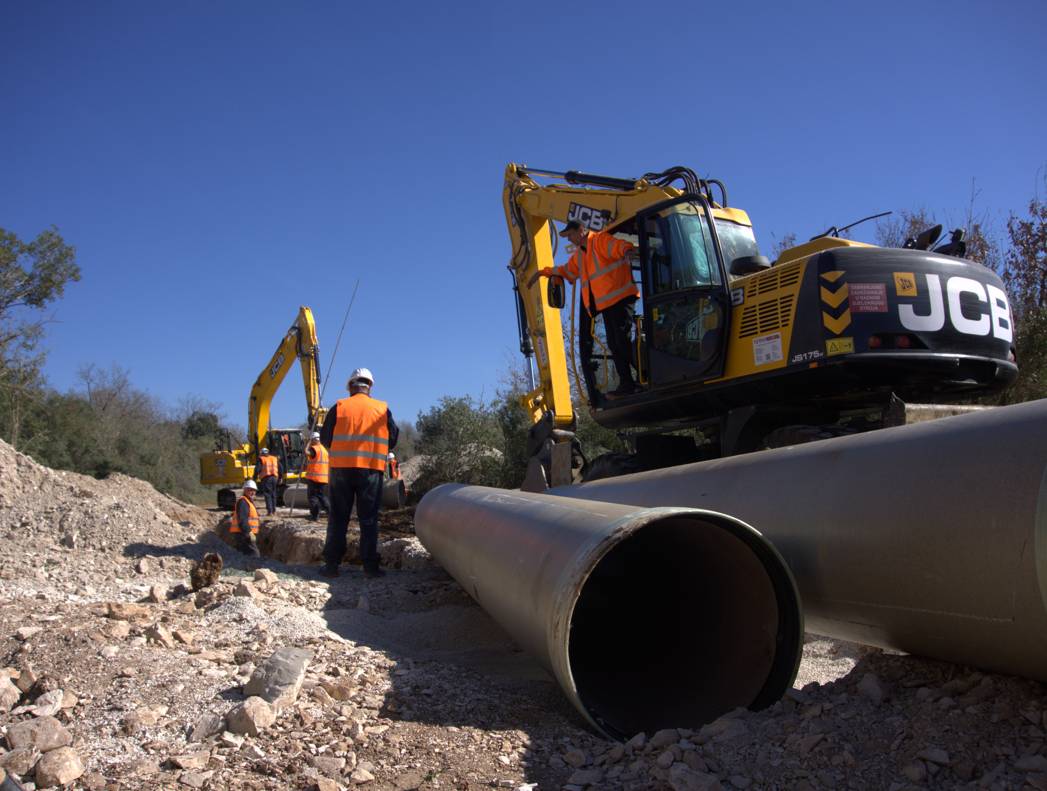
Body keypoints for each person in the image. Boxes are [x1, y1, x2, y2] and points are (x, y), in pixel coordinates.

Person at [538, 220, 640, 397]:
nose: (568, 239)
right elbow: (567, 271)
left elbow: (618, 246)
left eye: (570, 235)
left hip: (621, 298)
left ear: (582, 230)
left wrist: (627, 250)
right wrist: (545, 272)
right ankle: (629, 382)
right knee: (615, 344)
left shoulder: (600, 240)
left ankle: (637, 379)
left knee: (621, 341)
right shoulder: (581, 255)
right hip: (607, 305)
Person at [319, 367, 399, 579]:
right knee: (369, 519)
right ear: (369, 386)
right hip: (371, 470)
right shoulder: (382, 409)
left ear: (351, 387)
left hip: (341, 470)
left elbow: (325, 438)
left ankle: (331, 566)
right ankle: (370, 567)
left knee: (338, 518)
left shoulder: (339, 407)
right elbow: (393, 438)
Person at [230, 480, 261, 557]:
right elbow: (243, 520)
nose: (252, 492)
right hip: (243, 534)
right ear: (245, 490)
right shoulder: (243, 501)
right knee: (254, 554)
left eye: (254, 490)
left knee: (243, 555)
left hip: (243, 534)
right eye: (250, 490)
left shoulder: (248, 501)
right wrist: (249, 532)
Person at [304, 431, 330, 521]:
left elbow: (306, 452)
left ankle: (315, 516)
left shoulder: (314, 449)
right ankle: (330, 513)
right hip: (324, 478)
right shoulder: (324, 450)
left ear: (314, 440)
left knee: (313, 497)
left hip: (314, 478)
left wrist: (308, 443)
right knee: (322, 497)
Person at [254, 446, 282, 516]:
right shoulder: (274, 458)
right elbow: (281, 468)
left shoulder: (261, 459)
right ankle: (274, 510)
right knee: (273, 494)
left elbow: (258, 469)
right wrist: (280, 478)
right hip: (275, 478)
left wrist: (254, 477)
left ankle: (270, 511)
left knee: (268, 495)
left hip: (266, 479)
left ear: (262, 453)